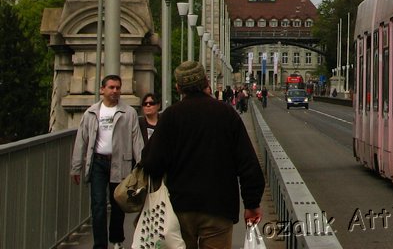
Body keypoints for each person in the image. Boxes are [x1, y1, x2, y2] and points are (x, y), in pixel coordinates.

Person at [142, 61, 264, 249]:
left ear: (178, 87)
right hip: (218, 207)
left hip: (179, 208)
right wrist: (252, 203)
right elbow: (248, 163)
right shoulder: (226, 114)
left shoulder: (170, 116)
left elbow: (152, 163)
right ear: (206, 81)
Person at [70, 74, 144, 249]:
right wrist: (76, 167)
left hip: (120, 162)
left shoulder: (129, 113)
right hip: (98, 162)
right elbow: (81, 141)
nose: (115, 91)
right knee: (98, 205)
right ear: (102, 89)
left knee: (118, 202)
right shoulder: (91, 113)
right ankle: (100, 245)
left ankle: (117, 240)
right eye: (111, 87)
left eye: (118, 87)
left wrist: (142, 166)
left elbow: (136, 141)